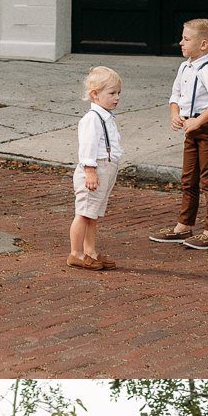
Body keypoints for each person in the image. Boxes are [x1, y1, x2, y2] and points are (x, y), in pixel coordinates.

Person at [151, 17, 208, 250]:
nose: (181, 43)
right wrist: (175, 114)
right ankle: (183, 225)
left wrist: (199, 121)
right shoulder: (185, 66)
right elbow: (175, 95)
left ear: (203, 45)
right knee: (188, 179)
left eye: (186, 39)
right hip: (191, 128)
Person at [69, 65, 124, 272]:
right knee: (83, 213)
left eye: (118, 93)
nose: (116, 97)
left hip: (106, 169)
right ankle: (76, 253)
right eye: (111, 93)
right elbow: (88, 147)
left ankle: (90, 251)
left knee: (92, 214)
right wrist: (90, 171)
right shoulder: (92, 119)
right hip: (95, 170)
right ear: (95, 94)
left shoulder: (106, 117)